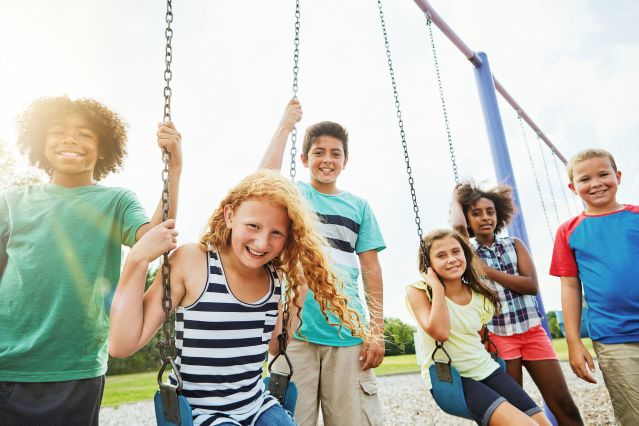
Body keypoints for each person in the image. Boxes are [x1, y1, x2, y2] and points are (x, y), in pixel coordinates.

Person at [109, 170, 368, 425]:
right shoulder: (192, 262)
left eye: (276, 233)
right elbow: (121, 346)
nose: (262, 242)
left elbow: (277, 347)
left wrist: (298, 294)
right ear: (230, 215)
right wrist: (137, 261)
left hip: (255, 405)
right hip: (202, 413)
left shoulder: (274, 276)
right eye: (253, 226)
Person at [0, 95, 182, 425]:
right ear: (42, 144)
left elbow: (153, 238)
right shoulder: (12, 201)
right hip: (6, 360)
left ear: (102, 150)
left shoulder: (116, 201)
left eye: (85, 134)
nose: (70, 138)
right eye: (58, 131)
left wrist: (175, 171)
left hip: (75, 364)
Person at [260, 99, 386, 426]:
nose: (327, 159)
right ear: (304, 159)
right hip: (296, 331)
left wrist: (376, 330)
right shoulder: (294, 194)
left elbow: (371, 269)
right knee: (292, 420)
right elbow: (262, 180)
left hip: (348, 333)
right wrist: (285, 125)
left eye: (335, 153)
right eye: (318, 152)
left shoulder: (359, 207)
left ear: (345, 161)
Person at [450, 181, 582, 425]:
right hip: (499, 337)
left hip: (532, 332)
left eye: (490, 212)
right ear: (468, 220)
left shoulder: (514, 245)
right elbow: (456, 226)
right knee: (514, 412)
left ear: (498, 215)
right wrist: (456, 198)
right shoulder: (467, 252)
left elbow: (531, 285)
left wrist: (488, 271)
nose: (485, 218)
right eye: (476, 213)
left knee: (564, 404)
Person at [406, 229, 551, 426]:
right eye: (441, 255)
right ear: (428, 264)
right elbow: (440, 332)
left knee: (543, 423)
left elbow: (480, 334)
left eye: (456, 252)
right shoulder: (419, 292)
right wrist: (438, 288)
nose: (451, 259)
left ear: (465, 254)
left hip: (487, 370)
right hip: (453, 378)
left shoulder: (480, 296)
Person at [550, 148, 639, 425]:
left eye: (603, 174)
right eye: (585, 179)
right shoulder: (569, 231)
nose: (596, 183)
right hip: (613, 336)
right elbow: (570, 288)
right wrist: (574, 342)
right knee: (633, 414)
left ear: (618, 176)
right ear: (572, 188)